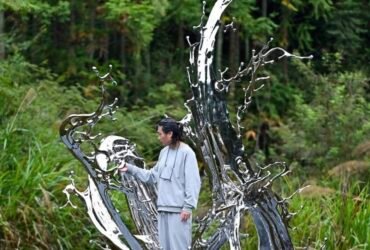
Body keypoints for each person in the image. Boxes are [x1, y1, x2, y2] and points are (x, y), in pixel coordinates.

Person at [118, 117, 201, 250]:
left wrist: (188, 206)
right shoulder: (163, 153)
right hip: (163, 210)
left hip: (179, 212)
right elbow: (151, 176)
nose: (159, 137)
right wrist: (129, 168)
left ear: (170, 134)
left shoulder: (187, 153)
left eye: (160, 134)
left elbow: (193, 181)